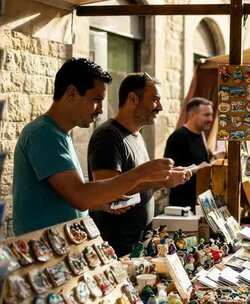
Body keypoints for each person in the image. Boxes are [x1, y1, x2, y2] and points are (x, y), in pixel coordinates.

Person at [12, 58, 172, 236]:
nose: (101, 109)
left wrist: (99, 203)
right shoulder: (44, 134)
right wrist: (142, 172)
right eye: (96, 99)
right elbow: (80, 196)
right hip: (43, 253)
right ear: (72, 93)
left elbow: (66, 196)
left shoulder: (59, 134)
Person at [88, 73, 191, 257]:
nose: (160, 107)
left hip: (137, 245)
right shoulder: (108, 137)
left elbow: (138, 187)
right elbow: (110, 195)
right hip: (116, 248)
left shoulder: (136, 135)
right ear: (132, 98)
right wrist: (160, 179)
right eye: (155, 100)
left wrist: (164, 180)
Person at [164, 97, 214, 209]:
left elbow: (200, 161)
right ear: (191, 115)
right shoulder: (178, 137)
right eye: (206, 115)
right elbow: (168, 172)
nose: (211, 119)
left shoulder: (201, 134)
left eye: (211, 114)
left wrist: (214, 157)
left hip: (200, 202)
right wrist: (196, 169)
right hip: (183, 206)